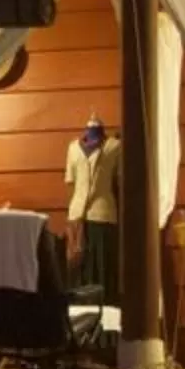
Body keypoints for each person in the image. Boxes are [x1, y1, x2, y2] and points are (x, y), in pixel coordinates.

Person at [65, 119, 122, 296]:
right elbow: (71, 180)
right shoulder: (73, 148)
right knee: (77, 264)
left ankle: (107, 310)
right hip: (77, 218)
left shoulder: (115, 147)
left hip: (103, 214)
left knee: (103, 266)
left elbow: (119, 178)